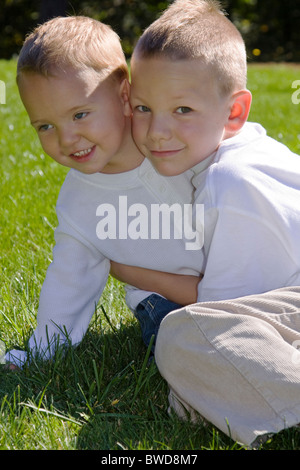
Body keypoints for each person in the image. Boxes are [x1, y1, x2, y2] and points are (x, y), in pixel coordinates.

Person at [111, 0, 300, 447]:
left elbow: (217, 314)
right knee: (192, 375)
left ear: (233, 112)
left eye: (182, 111)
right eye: (142, 108)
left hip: (279, 305)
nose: (156, 132)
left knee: (183, 339)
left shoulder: (232, 183)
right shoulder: (244, 149)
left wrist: (124, 268)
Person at [5, 15, 203, 368]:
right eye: (45, 126)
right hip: (166, 304)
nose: (66, 139)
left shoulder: (174, 141)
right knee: (185, 345)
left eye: (80, 115)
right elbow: (70, 278)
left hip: (247, 274)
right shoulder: (80, 203)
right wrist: (42, 349)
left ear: (124, 96)